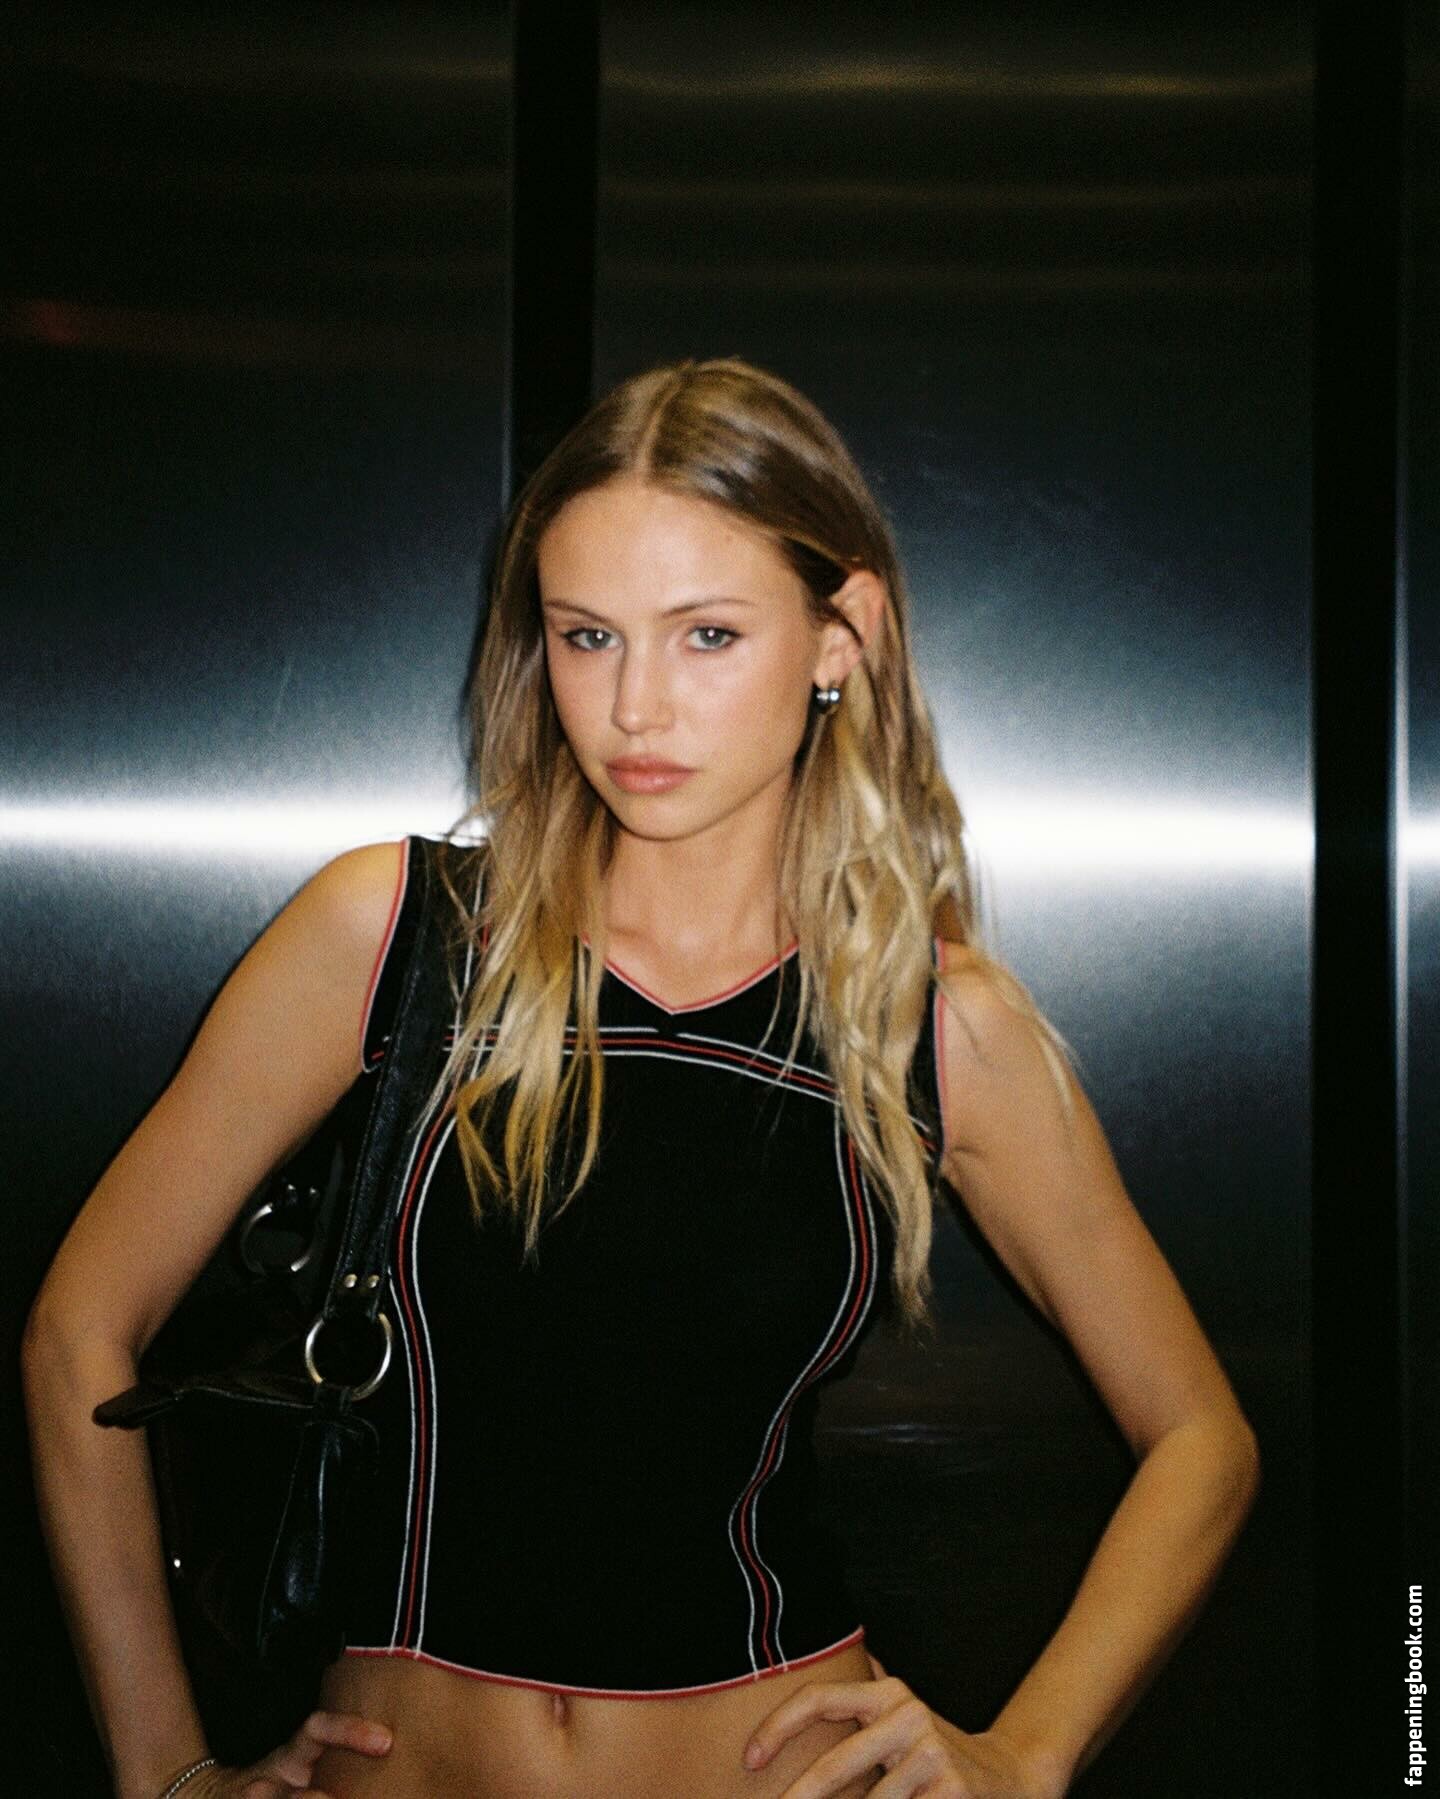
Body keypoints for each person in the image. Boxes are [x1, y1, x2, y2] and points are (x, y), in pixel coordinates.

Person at [23, 356, 1260, 1799]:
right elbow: (80, 1331)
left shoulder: (930, 1028)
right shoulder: (394, 938)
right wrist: (165, 1773)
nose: (635, 709)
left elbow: (1202, 1438)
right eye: (588, 637)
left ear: (841, 636)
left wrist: (1026, 1757)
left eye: (708, 635)